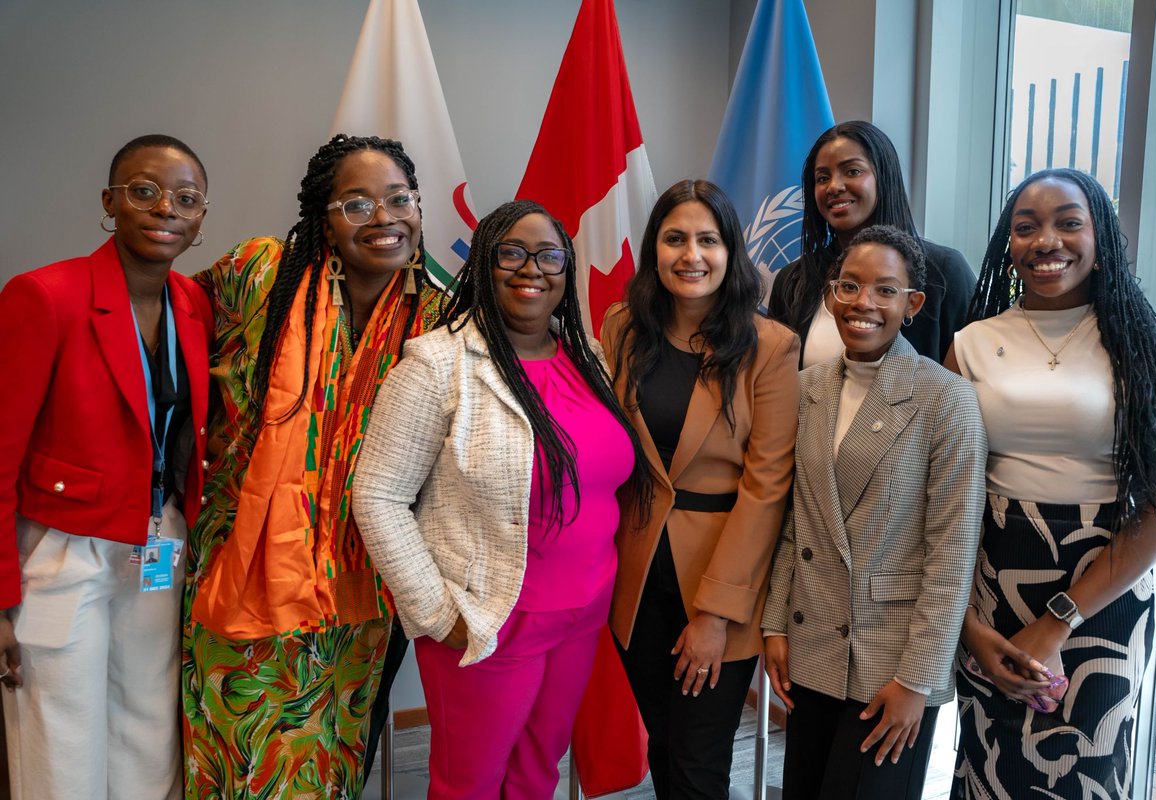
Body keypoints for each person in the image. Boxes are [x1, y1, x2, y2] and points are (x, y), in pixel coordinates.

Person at [352, 199, 652, 797]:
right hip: (489, 621)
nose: (531, 269)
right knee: (470, 783)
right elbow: (378, 495)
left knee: (539, 772)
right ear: (483, 264)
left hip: (583, 616)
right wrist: (437, 614)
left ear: (566, 270)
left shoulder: (588, 356)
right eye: (511, 253)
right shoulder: (438, 364)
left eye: (549, 256)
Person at [182, 134, 439, 798]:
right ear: (323, 219)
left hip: (358, 582)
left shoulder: (437, 315)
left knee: (329, 753)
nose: (383, 218)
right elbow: (168, 328)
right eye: (356, 204)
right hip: (241, 562)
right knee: (237, 749)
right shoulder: (260, 273)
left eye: (399, 199)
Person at [948, 168, 1156, 798]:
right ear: (1009, 244)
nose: (1046, 241)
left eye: (1068, 222)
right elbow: (941, 497)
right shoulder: (972, 344)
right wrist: (967, 626)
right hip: (989, 580)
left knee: (1087, 770)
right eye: (1026, 227)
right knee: (987, 765)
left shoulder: (1145, 349)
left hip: (1103, 586)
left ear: (1100, 236)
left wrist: (1059, 621)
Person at [0, 134, 212, 799]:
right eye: (144, 191)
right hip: (64, 549)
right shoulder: (45, 295)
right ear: (109, 201)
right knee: (62, 738)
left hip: (157, 541)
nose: (166, 209)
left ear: (201, 216)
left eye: (186, 198)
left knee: (148, 729)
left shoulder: (194, 304)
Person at [761, 225, 987, 799]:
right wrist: (774, 623)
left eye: (885, 290)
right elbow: (792, 521)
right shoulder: (805, 388)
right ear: (831, 295)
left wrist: (918, 679)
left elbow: (952, 553)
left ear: (913, 304)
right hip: (811, 641)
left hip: (893, 659)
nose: (863, 302)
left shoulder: (947, 398)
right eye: (850, 286)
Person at [601, 179, 801, 799]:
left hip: (720, 577)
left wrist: (714, 614)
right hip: (635, 575)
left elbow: (767, 487)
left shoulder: (770, 346)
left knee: (699, 764)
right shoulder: (622, 327)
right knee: (663, 746)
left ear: (731, 251)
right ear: (654, 250)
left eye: (708, 240)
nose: (691, 255)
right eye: (675, 239)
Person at [767, 120, 975, 366]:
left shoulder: (945, 272)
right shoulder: (793, 280)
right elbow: (778, 377)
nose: (834, 186)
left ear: (884, 178)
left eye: (852, 171)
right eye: (822, 178)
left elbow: (974, 371)